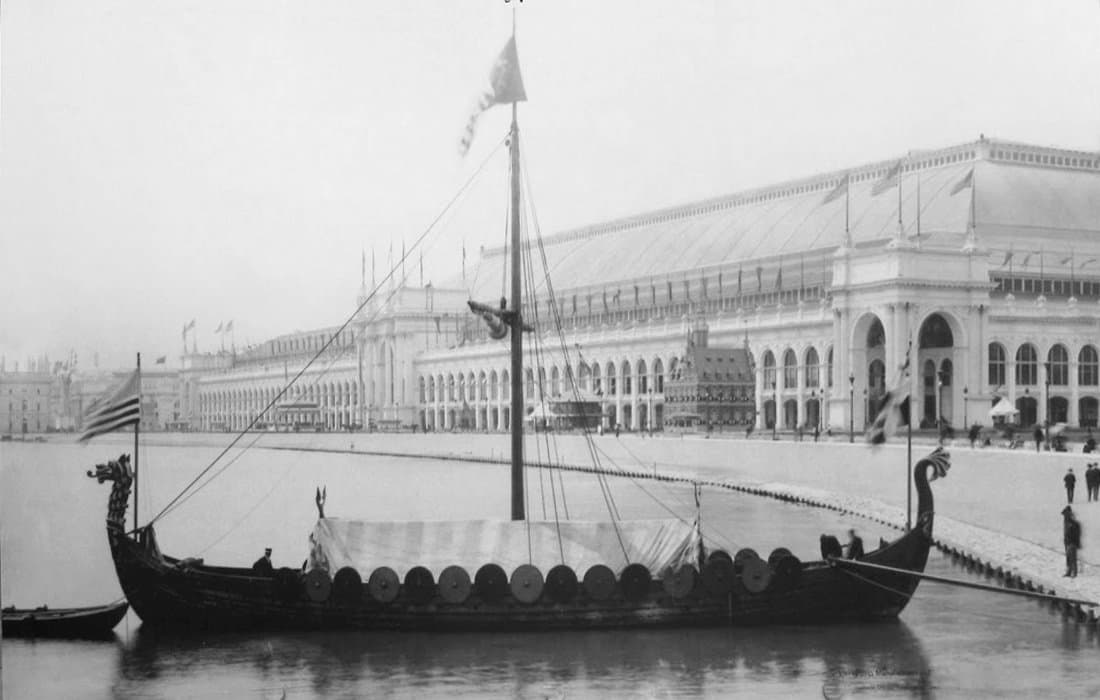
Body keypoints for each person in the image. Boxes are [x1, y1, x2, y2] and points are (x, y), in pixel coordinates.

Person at [1063, 506, 1082, 577]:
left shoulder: (1073, 523)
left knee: (1073, 558)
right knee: (1068, 558)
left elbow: (1076, 534)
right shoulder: (1066, 522)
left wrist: (1076, 542)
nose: (1064, 517)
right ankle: (1069, 571)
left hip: (1072, 542)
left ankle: (1074, 573)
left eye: (1066, 515)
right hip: (1067, 542)